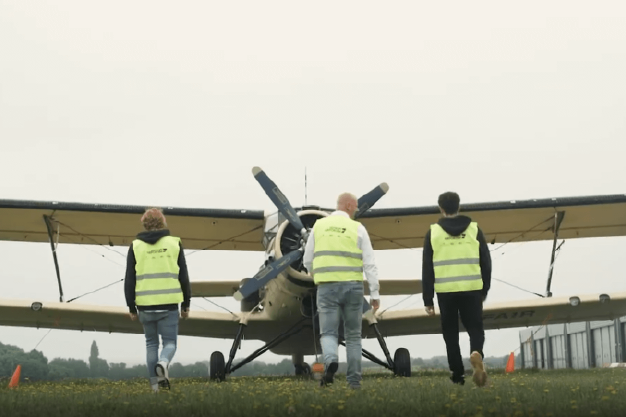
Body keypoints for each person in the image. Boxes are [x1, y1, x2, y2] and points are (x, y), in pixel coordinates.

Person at [303, 192, 380, 390]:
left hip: (326, 287)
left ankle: (330, 361)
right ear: (348, 206)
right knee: (353, 336)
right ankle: (354, 382)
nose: (356, 211)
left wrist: (314, 273)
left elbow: (307, 259)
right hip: (353, 287)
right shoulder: (358, 228)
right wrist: (375, 294)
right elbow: (370, 264)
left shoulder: (318, 226)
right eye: (354, 207)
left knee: (328, 332)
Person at [422, 192, 491, 387]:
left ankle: (457, 374)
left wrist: (428, 299)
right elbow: (486, 261)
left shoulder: (433, 232)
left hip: (446, 291)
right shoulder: (474, 230)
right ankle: (476, 352)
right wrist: (484, 288)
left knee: (450, 333)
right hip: (472, 288)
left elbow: (427, 267)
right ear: (459, 207)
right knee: (475, 328)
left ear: (441, 208)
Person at [124, 208, 191, 392]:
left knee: (151, 344)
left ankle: (155, 387)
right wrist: (186, 304)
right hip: (169, 304)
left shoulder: (136, 246)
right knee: (170, 343)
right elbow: (184, 276)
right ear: (163, 222)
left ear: (144, 224)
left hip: (145, 305)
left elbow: (129, 278)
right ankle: (163, 363)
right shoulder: (174, 243)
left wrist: (131, 307)